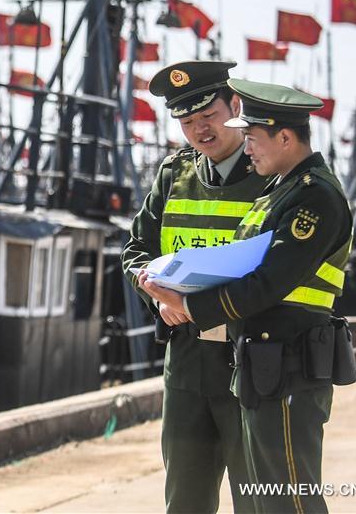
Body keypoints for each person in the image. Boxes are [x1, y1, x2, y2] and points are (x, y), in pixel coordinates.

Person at [139, 79, 354, 514]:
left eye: (253, 138)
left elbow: (269, 281)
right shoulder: (281, 189)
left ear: (285, 137)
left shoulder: (314, 197)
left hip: (289, 365)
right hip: (260, 366)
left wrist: (189, 306)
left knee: (287, 500)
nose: (248, 149)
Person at [122, 61, 268, 513]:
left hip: (252, 359)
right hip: (186, 361)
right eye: (187, 122)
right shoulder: (173, 174)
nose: (200, 130)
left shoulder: (272, 174)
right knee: (185, 497)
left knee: (257, 497)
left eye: (208, 116)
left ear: (235, 107)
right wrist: (156, 293)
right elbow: (135, 251)